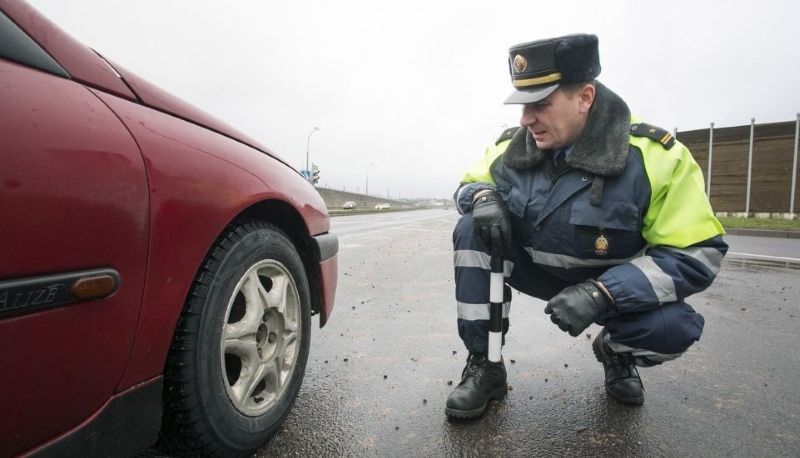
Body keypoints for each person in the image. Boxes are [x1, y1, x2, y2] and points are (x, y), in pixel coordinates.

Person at [445, 33, 727, 418]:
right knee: (469, 229)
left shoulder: (656, 157)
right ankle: (485, 364)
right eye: (523, 106)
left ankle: (616, 353)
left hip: (609, 288)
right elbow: (468, 184)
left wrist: (603, 294)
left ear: (585, 98)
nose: (527, 119)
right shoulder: (513, 146)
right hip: (539, 272)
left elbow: (699, 253)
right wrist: (481, 198)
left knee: (673, 329)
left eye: (541, 104)